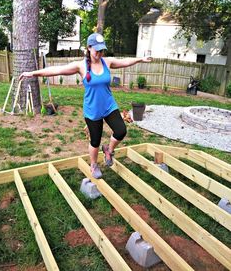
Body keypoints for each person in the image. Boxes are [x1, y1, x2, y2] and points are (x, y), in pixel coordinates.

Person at [19, 33, 152, 178]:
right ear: (89, 48)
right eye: (97, 50)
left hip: (109, 106)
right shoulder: (81, 66)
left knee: (121, 131)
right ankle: (94, 165)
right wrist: (33, 73)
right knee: (95, 141)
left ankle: (109, 149)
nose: (100, 53)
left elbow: (125, 61)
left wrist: (140, 59)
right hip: (92, 110)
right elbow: (56, 70)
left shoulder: (107, 62)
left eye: (102, 50)